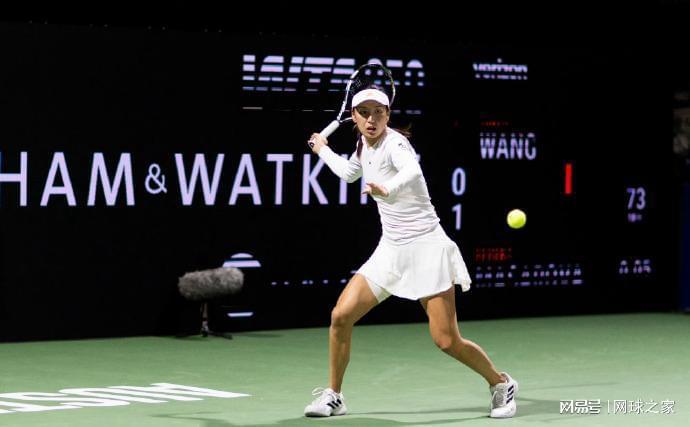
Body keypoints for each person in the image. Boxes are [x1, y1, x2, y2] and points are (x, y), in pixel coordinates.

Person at [304, 87, 518, 419]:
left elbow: (412, 171)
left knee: (446, 340)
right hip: (391, 250)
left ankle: (501, 384)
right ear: (354, 117)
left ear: (387, 115)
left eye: (378, 112)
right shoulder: (363, 144)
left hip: (427, 247)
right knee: (341, 316)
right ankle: (334, 396)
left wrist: (388, 187)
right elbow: (349, 173)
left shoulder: (396, 144)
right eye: (364, 112)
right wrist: (322, 150)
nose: (371, 119)